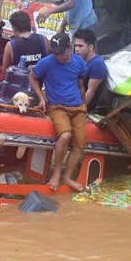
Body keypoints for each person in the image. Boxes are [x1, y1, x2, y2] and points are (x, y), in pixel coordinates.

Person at [29, 33, 88, 191]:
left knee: (79, 145)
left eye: (61, 52)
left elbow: (81, 85)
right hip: (57, 107)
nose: (58, 56)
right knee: (65, 135)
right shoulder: (47, 62)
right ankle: (56, 173)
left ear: (70, 47)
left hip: (78, 107)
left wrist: (85, 106)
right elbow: (32, 77)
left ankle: (67, 177)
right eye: (55, 53)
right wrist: (41, 98)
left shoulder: (79, 62)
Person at [74, 29, 107, 112]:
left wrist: (78, 111)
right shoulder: (80, 60)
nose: (76, 49)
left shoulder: (97, 64)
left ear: (90, 47)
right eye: (75, 46)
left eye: (80, 46)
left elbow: (90, 91)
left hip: (83, 107)